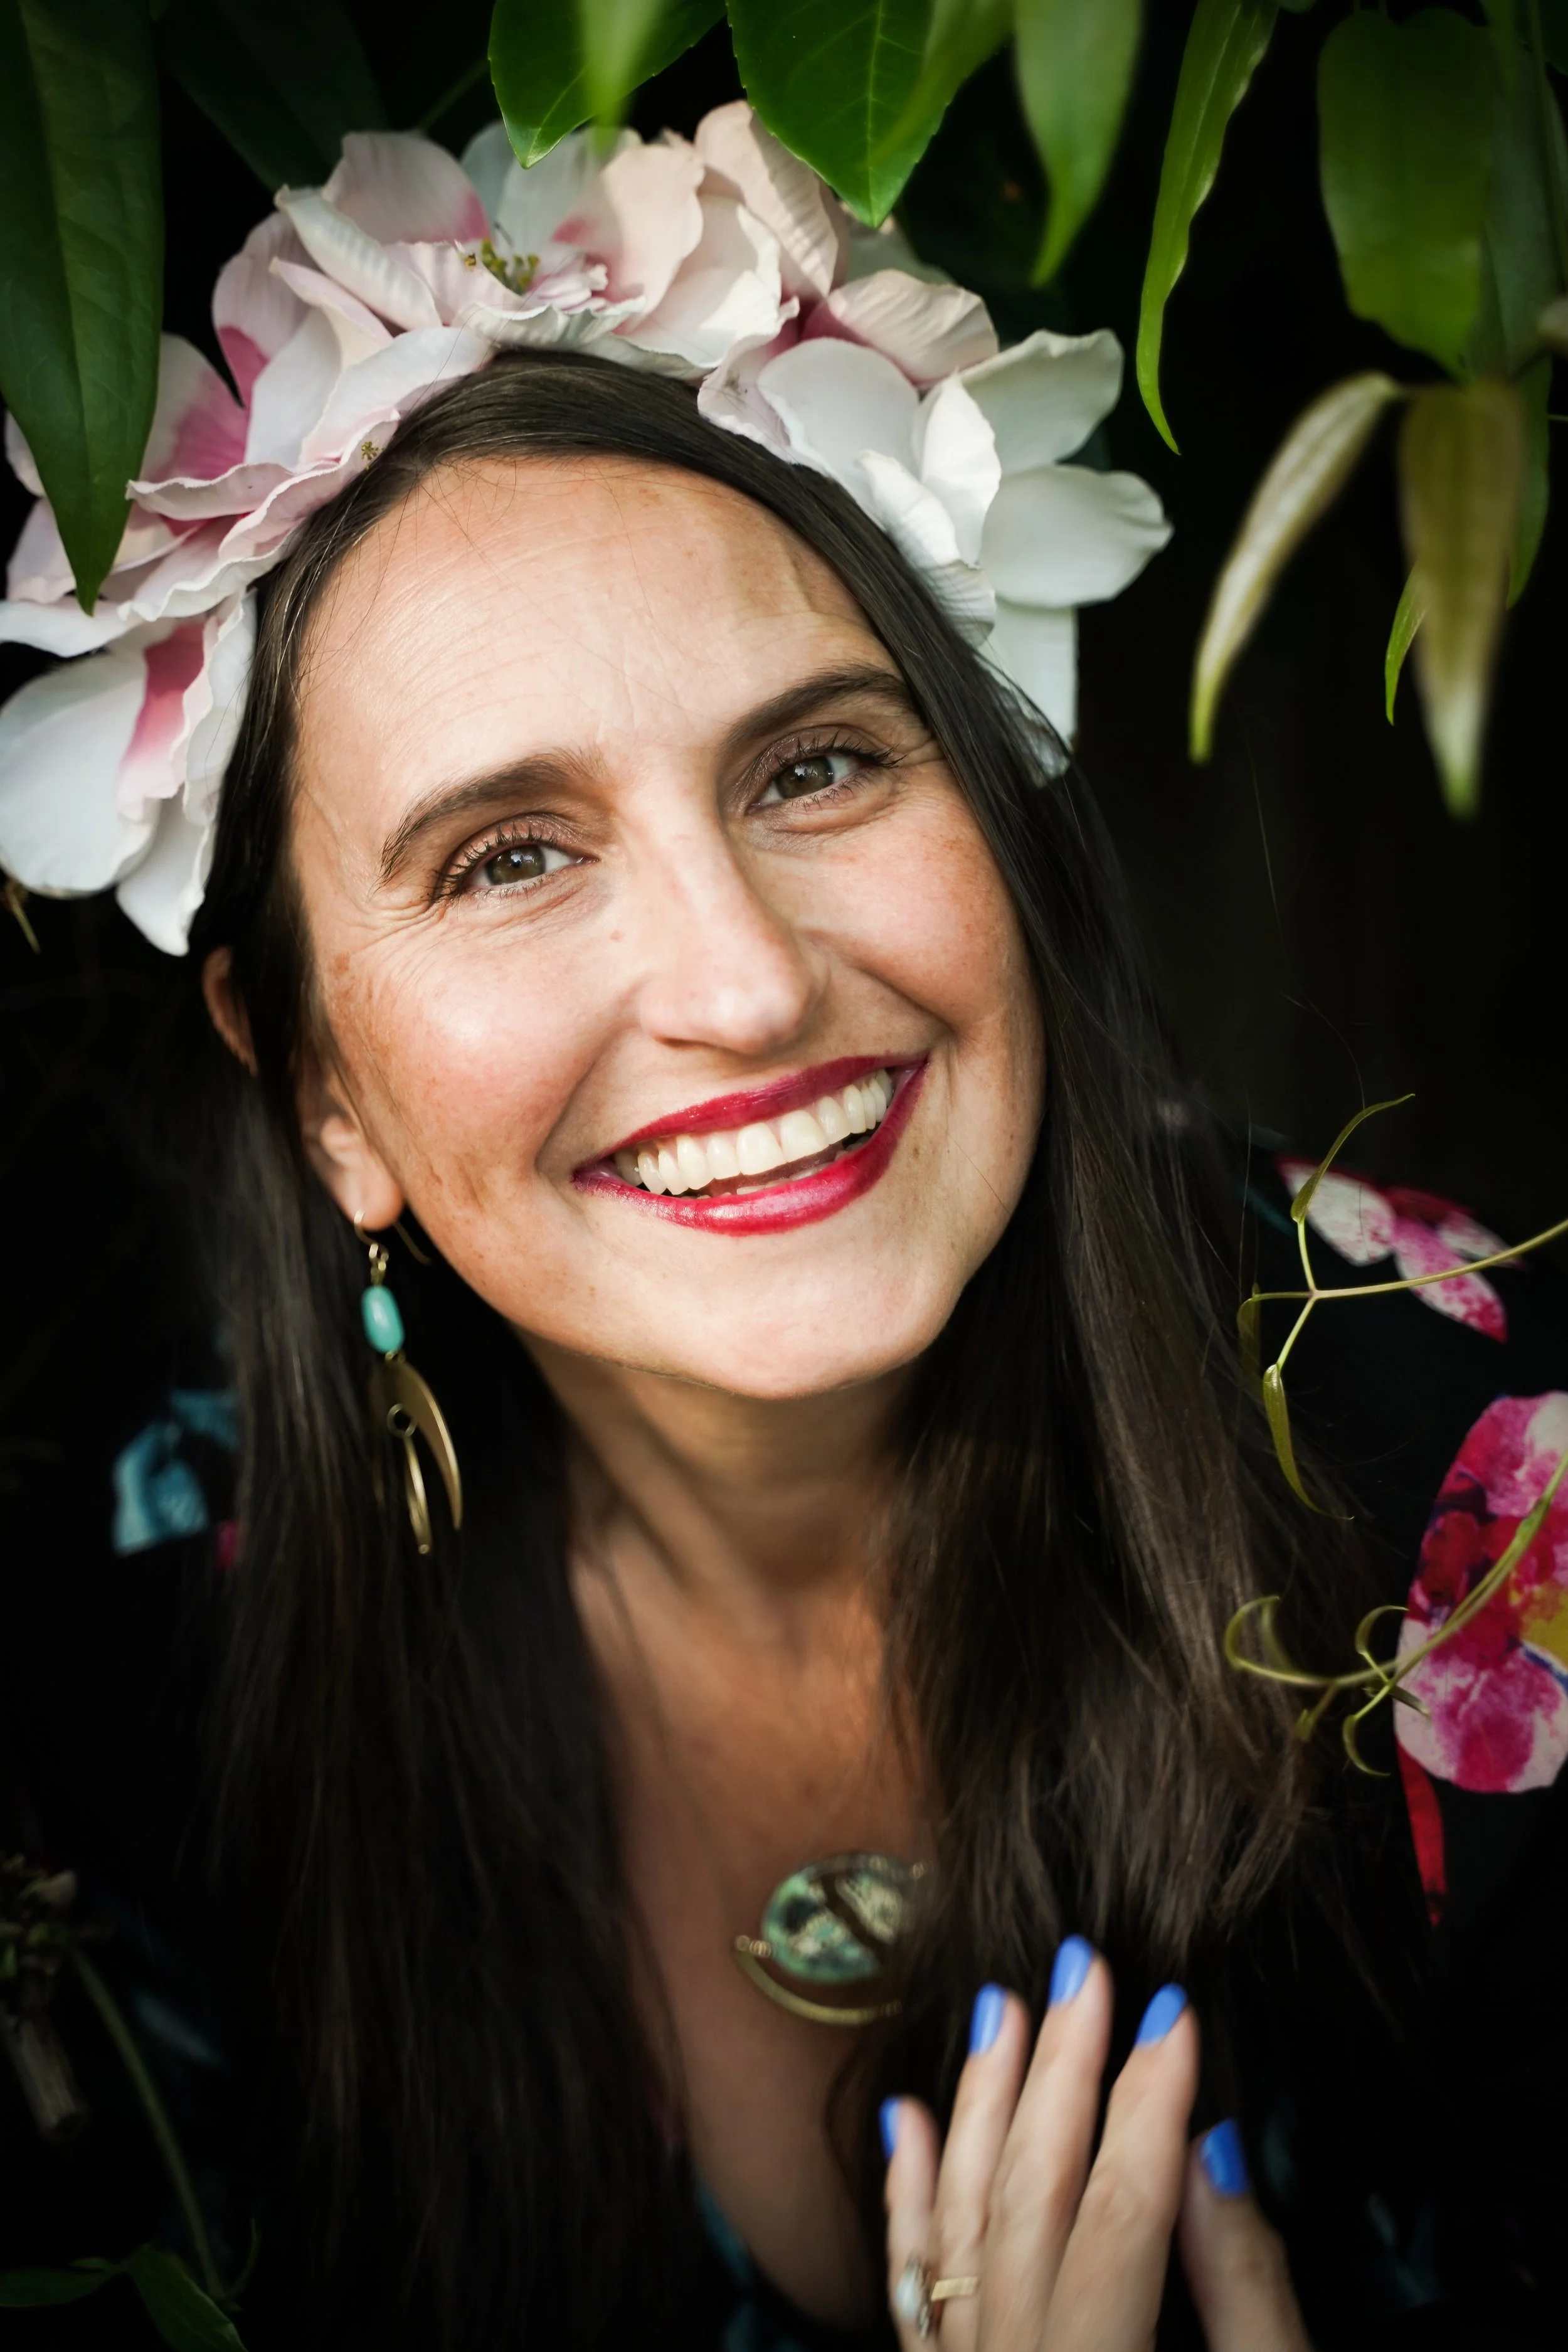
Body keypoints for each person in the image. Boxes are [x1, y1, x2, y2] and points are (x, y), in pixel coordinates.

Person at [1, 115, 1564, 2352]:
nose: (740, 984)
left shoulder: (1502, 1525)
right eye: (509, 855)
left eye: (819, 764)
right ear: (320, 1089)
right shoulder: (149, 1639)